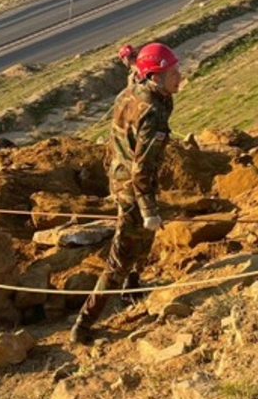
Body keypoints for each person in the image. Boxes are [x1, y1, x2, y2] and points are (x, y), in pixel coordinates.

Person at [70, 42, 181, 346]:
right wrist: (148, 210)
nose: (179, 76)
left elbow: (134, 75)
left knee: (145, 239)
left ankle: (133, 287)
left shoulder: (134, 91)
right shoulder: (153, 112)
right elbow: (142, 169)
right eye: (172, 72)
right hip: (133, 187)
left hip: (117, 177)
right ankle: (84, 323)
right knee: (120, 255)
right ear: (155, 77)